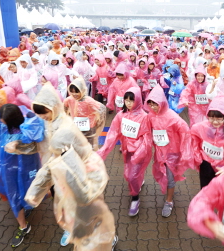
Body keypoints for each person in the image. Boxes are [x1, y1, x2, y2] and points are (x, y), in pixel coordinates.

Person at [27, 103, 118, 249]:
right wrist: (34, 193)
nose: (57, 156)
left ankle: (109, 240)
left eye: (61, 152)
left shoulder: (93, 163)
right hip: (73, 204)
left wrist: (70, 160)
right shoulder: (61, 155)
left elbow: (86, 195)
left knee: (95, 226)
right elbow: (47, 170)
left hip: (90, 208)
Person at [0, 104, 44, 248]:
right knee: (16, 195)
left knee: (23, 191)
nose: (0, 121)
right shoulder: (3, 127)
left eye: (2, 119)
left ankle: (24, 226)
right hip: (10, 171)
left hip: (22, 169)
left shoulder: (26, 132)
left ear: (11, 120)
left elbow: (35, 138)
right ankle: (24, 219)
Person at [97, 87, 152, 217]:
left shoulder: (144, 117)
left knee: (132, 176)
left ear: (138, 100)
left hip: (139, 152)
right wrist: (103, 151)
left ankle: (135, 199)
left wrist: (139, 154)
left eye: (131, 100)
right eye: (126, 100)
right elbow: (112, 134)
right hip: (127, 150)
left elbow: (147, 139)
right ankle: (139, 180)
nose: (128, 103)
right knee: (129, 174)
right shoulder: (121, 115)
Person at [145, 85, 192, 218]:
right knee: (163, 173)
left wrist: (185, 150)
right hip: (160, 151)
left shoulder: (172, 116)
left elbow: (185, 130)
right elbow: (147, 130)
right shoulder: (150, 116)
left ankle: (169, 201)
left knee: (170, 178)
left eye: (156, 104)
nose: (153, 107)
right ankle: (169, 192)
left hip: (172, 153)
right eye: (151, 104)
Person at [64, 78, 106, 150]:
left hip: (89, 128)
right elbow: (64, 109)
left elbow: (101, 109)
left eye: (77, 92)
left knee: (89, 147)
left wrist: (97, 121)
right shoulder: (69, 100)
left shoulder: (88, 101)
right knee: (77, 147)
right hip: (76, 127)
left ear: (82, 90)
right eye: (72, 92)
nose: (74, 94)